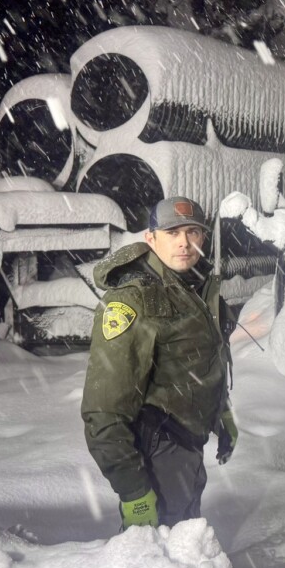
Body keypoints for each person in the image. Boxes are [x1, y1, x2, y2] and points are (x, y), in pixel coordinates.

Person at [81, 196, 238, 530]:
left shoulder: (195, 288)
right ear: (150, 239)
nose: (184, 242)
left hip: (186, 448)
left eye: (193, 232)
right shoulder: (133, 300)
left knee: (181, 553)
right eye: (172, 232)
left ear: (203, 238)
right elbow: (104, 411)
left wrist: (220, 411)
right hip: (156, 452)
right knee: (155, 565)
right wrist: (134, 492)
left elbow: (199, 361)